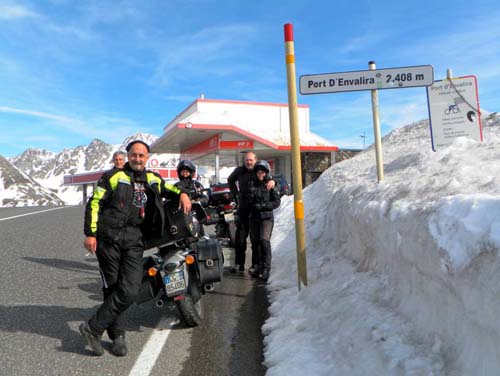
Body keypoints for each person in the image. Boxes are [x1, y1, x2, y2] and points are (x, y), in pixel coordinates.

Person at [80, 140, 191, 357]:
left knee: (130, 289)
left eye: (141, 155)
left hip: (134, 241)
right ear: (128, 156)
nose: (137, 159)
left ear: (147, 158)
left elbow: (170, 189)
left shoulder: (152, 179)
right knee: (112, 287)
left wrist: (183, 194)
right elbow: (94, 203)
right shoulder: (113, 176)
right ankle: (117, 335)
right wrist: (90, 233)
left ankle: (92, 328)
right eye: (134, 155)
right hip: (107, 239)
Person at [227, 151, 275, 274]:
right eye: (247, 160)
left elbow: (269, 179)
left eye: (251, 160)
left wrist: (273, 182)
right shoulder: (239, 171)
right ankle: (239, 263)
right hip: (243, 207)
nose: (248, 162)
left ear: (255, 160)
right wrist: (236, 194)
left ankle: (255, 265)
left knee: (256, 240)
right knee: (240, 238)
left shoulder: (259, 171)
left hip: (255, 209)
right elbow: (230, 180)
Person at [248, 160, 280, 281]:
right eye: (258, 172)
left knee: (264, 241)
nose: (260, 174)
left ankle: (266, 269)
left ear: (266, 173)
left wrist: (264, 205)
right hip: (254, 217)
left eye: (262, 172)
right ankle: (256, 265)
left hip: (266, 218)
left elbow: (277, 202)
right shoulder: (252, 184)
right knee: (255, 242)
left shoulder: (271, 184)